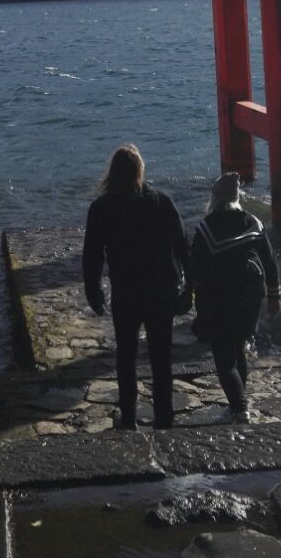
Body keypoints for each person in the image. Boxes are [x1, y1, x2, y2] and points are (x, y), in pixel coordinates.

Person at [82, 144, 190, 431]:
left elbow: (92, 255)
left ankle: (128, 417)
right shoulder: (161, 202)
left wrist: (93, 292)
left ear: (112, 173)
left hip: (126, 291)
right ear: (140, 171)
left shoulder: (101, 208)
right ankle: (164, 417)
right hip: (161, 290)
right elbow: (182, 247)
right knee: (160, 357)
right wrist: (189, 289)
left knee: (126, 356)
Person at [190, 171, 280, 424]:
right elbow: (270, 262)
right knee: (239, 347)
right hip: (252, 294)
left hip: (220, 298)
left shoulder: (206, 228)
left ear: (215, 198)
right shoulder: (253, 222)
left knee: (224, 356)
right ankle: (237, 404)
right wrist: (275, 296)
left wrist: (191, 298)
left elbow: (195, 269)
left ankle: (240, 409)